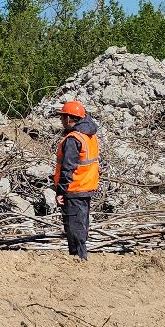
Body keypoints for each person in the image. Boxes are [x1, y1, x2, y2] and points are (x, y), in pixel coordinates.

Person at [53, 99, 100, 260]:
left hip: (74, 189)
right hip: (86, 187)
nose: (61, 121)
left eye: (62, 117)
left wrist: (60, 191)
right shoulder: (89, 135)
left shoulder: (73, 139)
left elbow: (68, 168)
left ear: (69, 118)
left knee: (74, 228)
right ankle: (80, 257)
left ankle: (78, 259)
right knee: (81, 226)